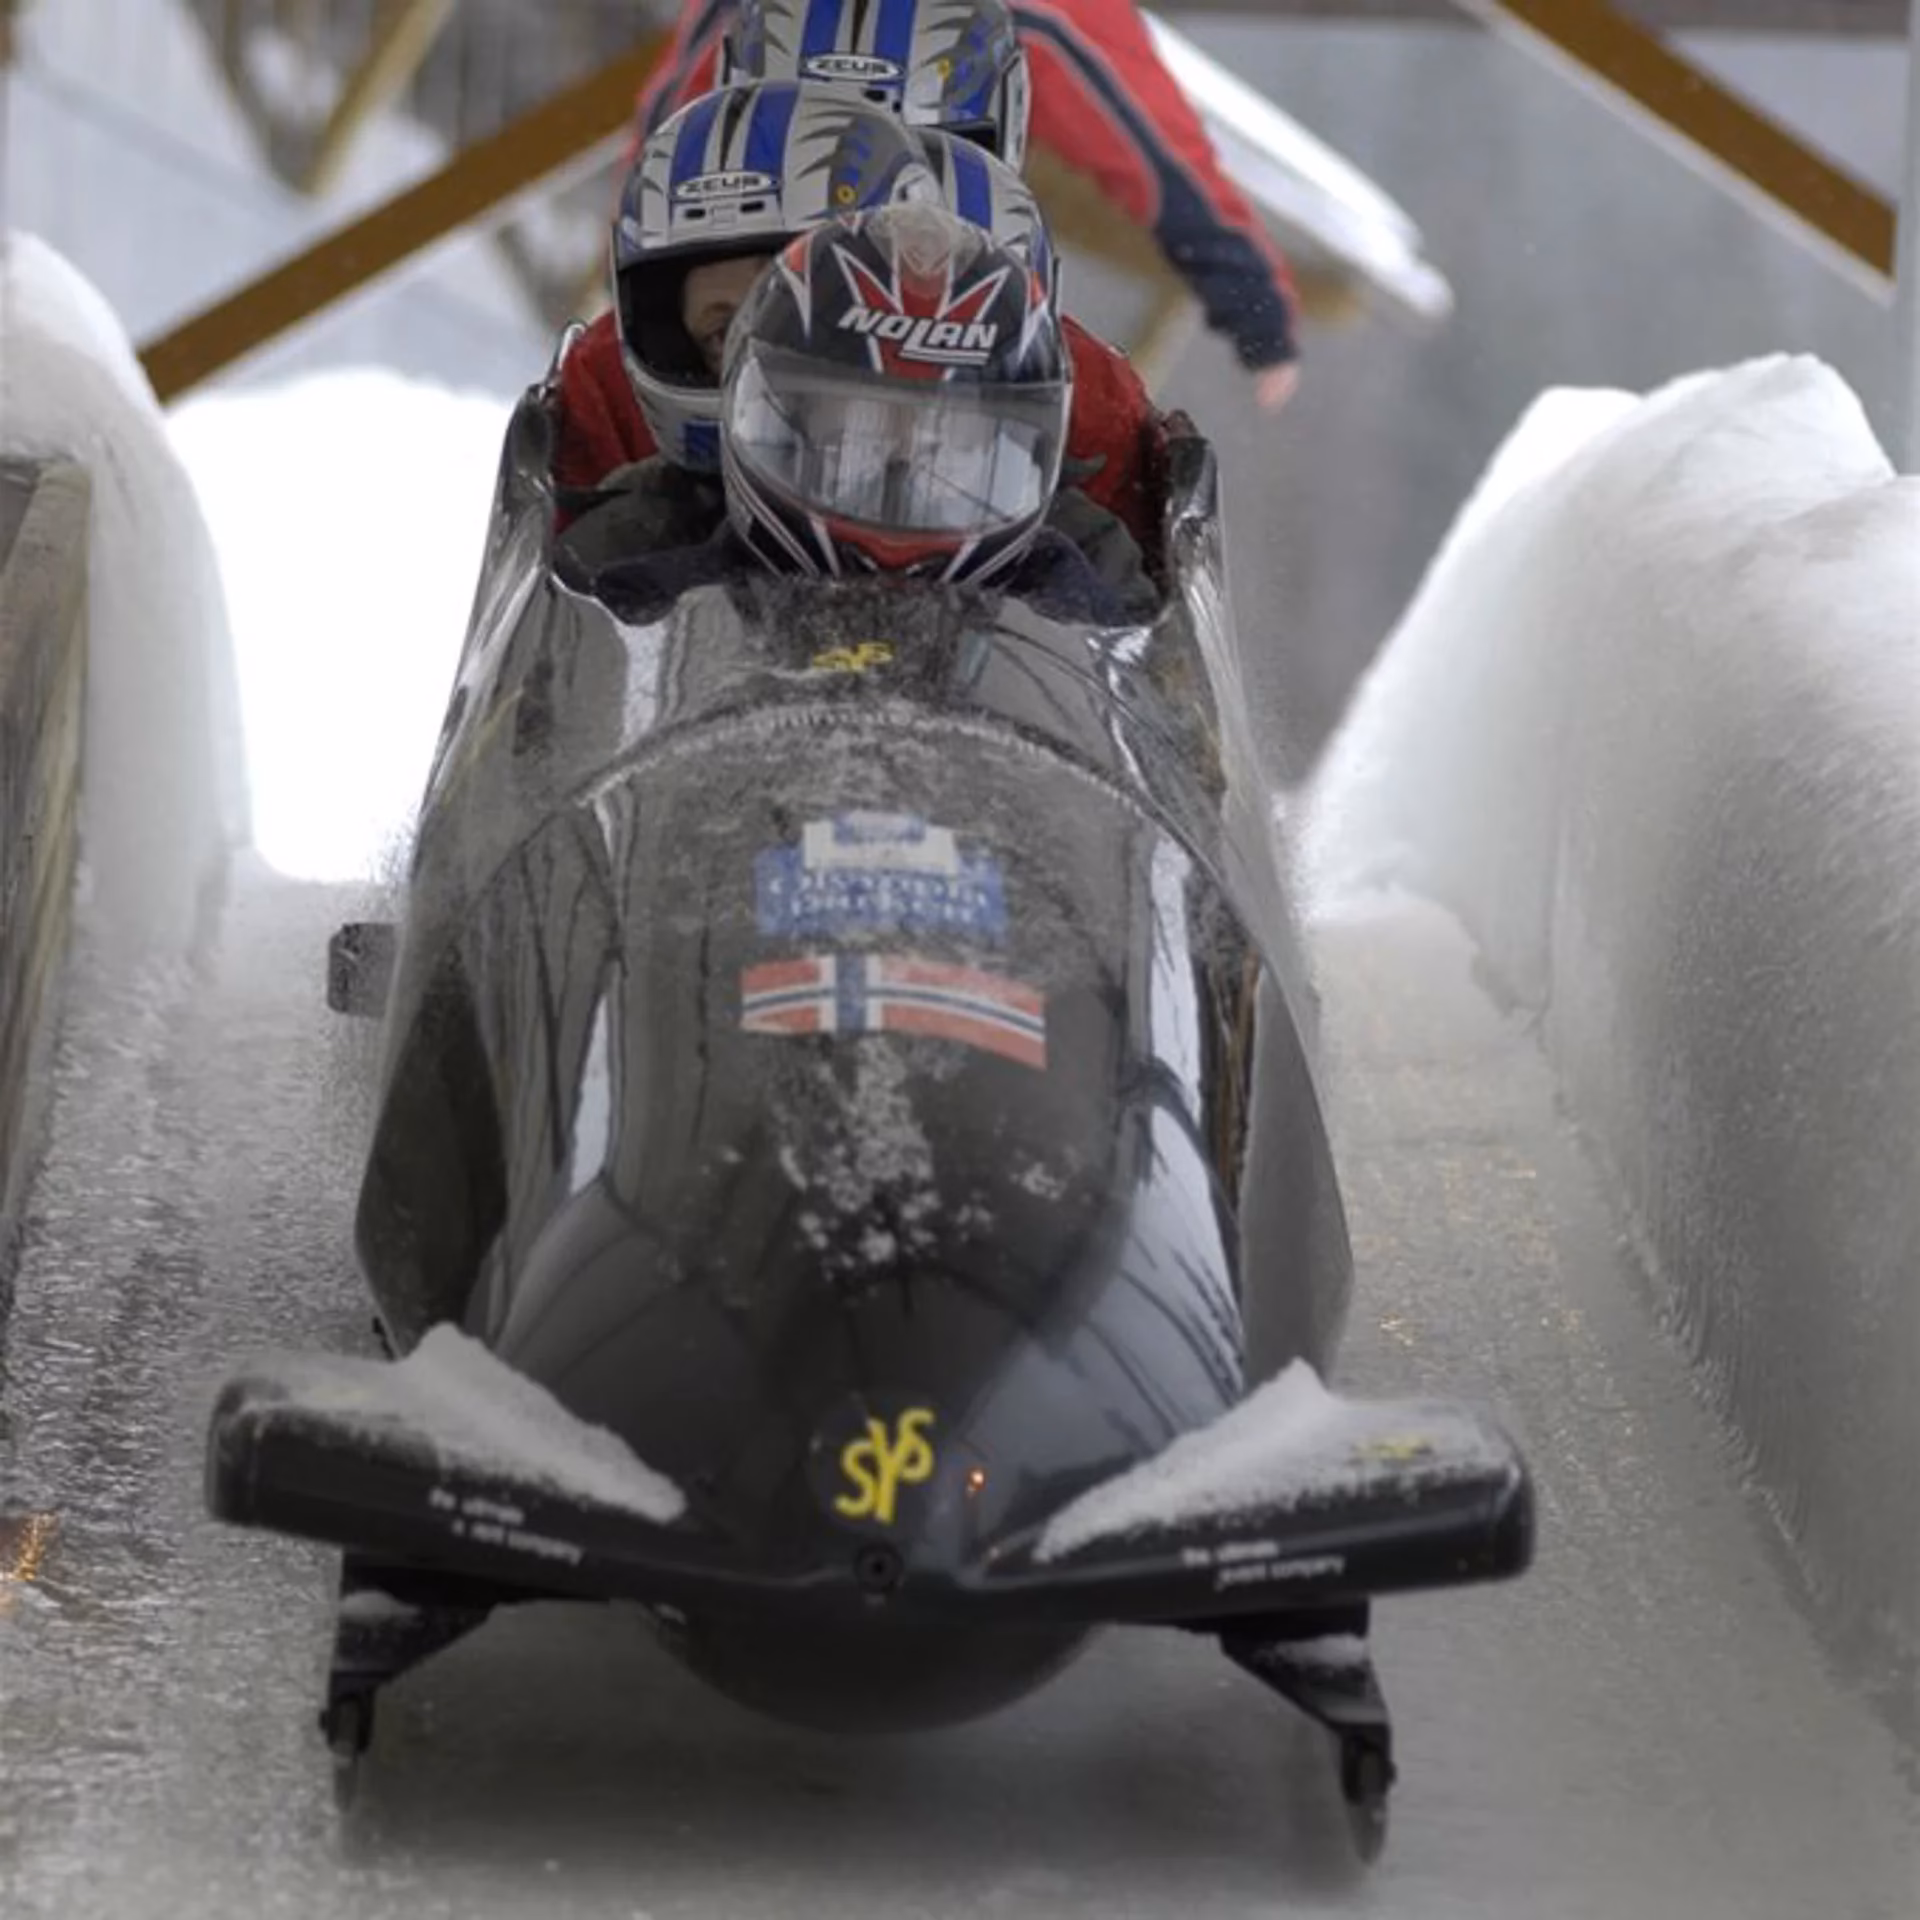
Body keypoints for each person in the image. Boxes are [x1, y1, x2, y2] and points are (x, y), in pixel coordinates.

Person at [556, 93, 1169, 571]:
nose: (894, 446)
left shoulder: (1075, 512)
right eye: (723, 331)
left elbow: (1125, 649)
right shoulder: (641, 520)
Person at [633, 0, 1302, 409]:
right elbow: (672, 139)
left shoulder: (1046, 14)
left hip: (946, 302)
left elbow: (1154, 150)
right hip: (781, 295)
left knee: (1080, 425)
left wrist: (1252, 300)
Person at [593, 204, 1156, 630]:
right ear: (767, 417)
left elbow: (1149, 708)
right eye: (858, 432)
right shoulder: (643, 600)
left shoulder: (1083, 602)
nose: (901, 468)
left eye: (948, 445)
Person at [556, 82, 941, 576]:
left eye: (792, 322)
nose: (756, 358)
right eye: (722, 332)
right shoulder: (624, 545)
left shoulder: (994, 495)